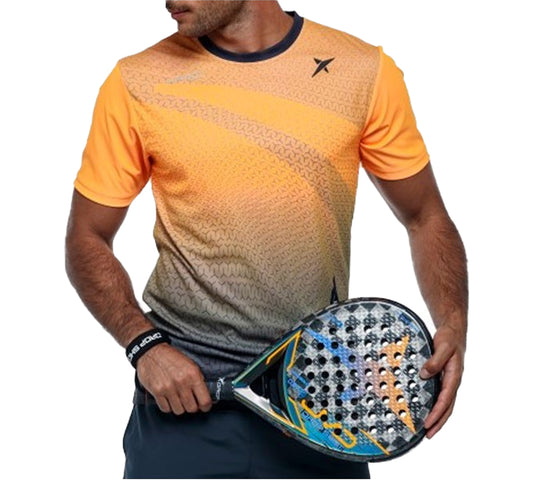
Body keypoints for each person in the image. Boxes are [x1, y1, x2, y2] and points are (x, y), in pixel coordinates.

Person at [66, 1, 468, 478]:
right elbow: (87, 237)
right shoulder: (136, 81)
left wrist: (453, 323)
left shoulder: (363, 71)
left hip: (326, 410)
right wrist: (144, 346)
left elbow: (425, 216)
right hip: (180, 411)